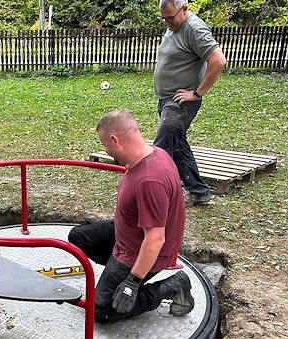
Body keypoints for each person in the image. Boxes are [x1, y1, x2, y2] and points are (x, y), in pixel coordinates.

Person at [68, 109, 194, 323]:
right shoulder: (153, 152)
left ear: (115, 140)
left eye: (105, 145)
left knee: (100, 312)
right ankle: (115, 273)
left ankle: (173, 286)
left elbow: (155, 239)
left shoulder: (149, 180)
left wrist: (132, 283)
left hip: (140, 250)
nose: (106, 151)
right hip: (127, 235)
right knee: (79, 237)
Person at [153, 0, 227, 206]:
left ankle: (155, 197)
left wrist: (196, 93)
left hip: (179, 102)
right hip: (168, 98)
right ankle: (199, 192)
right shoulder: (175, 25)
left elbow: (218, 60)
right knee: (177, 146)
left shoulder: (194, 28)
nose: (167, 22)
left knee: (161, 148)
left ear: (184, 9)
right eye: (163, 18)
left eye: (170, 18)